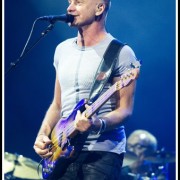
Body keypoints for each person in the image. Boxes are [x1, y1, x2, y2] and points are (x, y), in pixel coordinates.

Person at [33, 0, 141, 179]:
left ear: (100, 8)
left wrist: (97, 123)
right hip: (61, 150)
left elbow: (125, 110)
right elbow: (58, 105)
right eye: (69, 2)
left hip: (101, 154)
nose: (69, 8)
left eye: (79, 2)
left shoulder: (121, 52)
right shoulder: (62, 50)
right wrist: (42, 134)